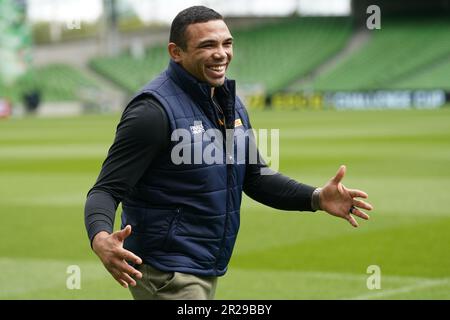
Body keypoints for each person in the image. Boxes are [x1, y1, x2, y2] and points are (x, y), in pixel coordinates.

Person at [84, 6, 373, 300]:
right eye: (207, 45)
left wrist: (316, 198)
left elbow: (255, 178)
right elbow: (105, 190)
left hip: (203, 265)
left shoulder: (229, 103)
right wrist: (101, 239)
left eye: (227, 43)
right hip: (165, 271)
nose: (221, 53)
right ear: (176, 52)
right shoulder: (152, 111)